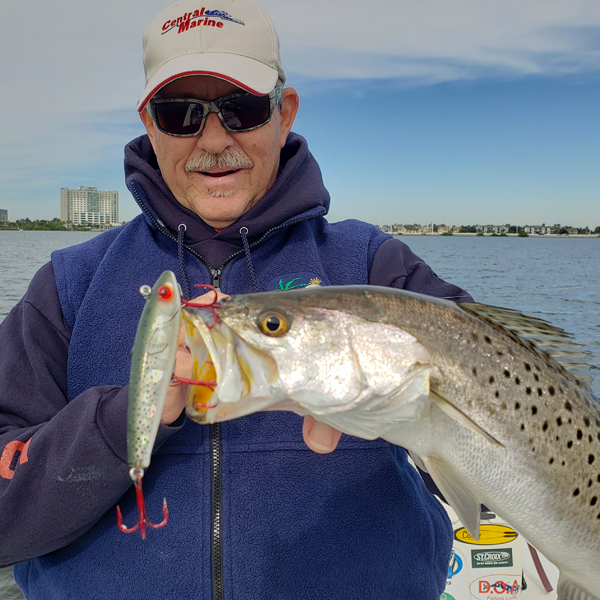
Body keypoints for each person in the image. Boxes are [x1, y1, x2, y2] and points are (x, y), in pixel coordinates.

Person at [0, 1, 472, 598]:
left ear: (284, 113)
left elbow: (505, 410)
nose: (214, 139)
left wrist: (410, 416)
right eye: (181, 114)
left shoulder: (376, 268)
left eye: (242, 109)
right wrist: (137, 413)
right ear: (149, 123)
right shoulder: (70, 284)